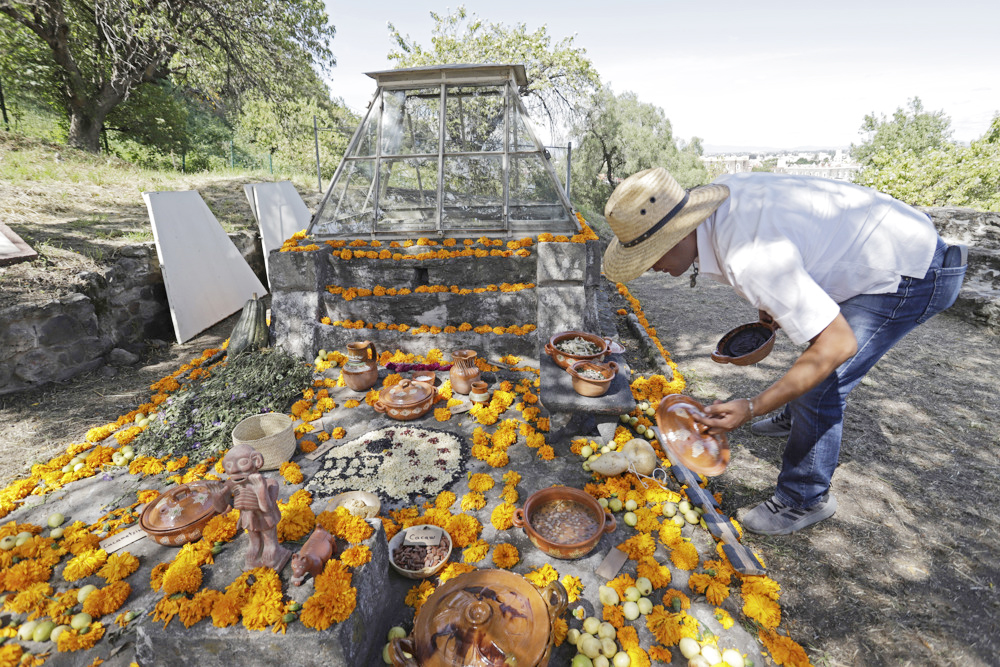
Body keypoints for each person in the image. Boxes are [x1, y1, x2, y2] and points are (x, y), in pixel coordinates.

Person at [601, 168, 967, 535]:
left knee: (821, 383)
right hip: (888, 247)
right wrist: (772, 303)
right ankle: (796, 417)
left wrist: (754, 405)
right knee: (814, 356)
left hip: (913, 272)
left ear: (678, 233)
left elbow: (837, 344)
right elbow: (797, 249)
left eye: (648, 255)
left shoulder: (752, 256)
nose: (650, 268)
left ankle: (804, 498)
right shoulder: (725, 210)